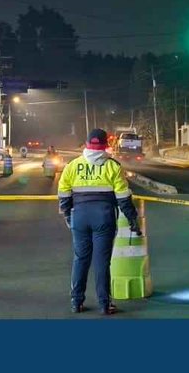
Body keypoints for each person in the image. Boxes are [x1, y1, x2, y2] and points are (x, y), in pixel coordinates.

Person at [57, 128, 140, 314]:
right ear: (106, 145)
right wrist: (132, 218)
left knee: (80, 258)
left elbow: (63, 193)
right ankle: (104, 304)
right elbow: (123, 198)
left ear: (86, 144)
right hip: (104, 216)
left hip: (79, 216)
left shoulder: (73, 165)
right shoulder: (113, 166)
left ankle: (76, 302)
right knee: (102, 261)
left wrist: (68, 215)